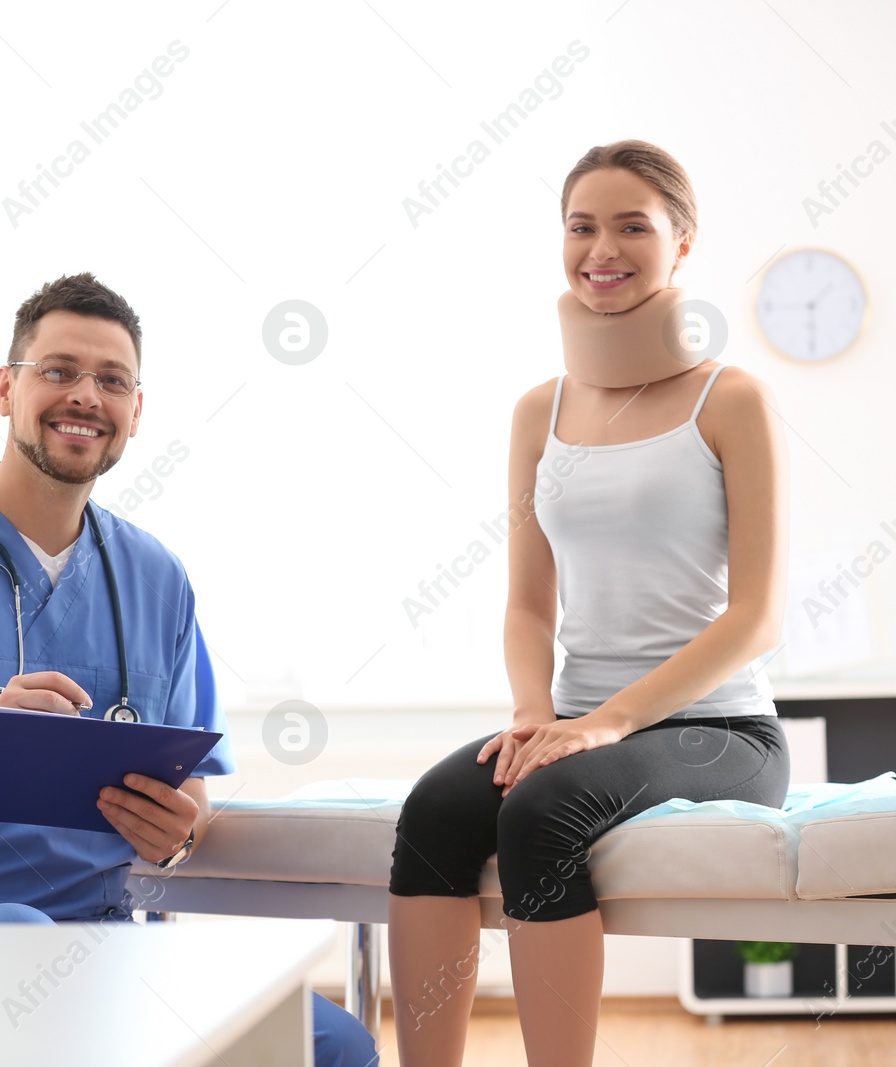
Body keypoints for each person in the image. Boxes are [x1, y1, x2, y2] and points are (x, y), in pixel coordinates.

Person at [0, 272, 376, 1065]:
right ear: (5, 389)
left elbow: (190, 794)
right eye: (58, 371)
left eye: (112, 380)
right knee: (22, 949)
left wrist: (177, 831)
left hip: (101, 942)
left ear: (135, 409)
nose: (85, 395)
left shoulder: (156, 579)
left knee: (335, 1045)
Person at [387, 141, 790, 1067]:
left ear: (681, 245)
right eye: (581, 226)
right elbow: (528, 604)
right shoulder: (540, 411)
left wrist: (605, 725)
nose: (601, 248)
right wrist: (537, 715)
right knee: (437, 811)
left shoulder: (734, 401)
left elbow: (758, 616)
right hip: (574, 718)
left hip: (720, 730)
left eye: (632, 226)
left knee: (541, 814)